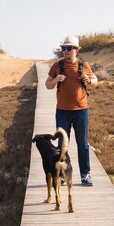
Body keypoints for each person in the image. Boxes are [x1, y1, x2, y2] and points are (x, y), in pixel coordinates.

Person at [45, 36, 98, 186]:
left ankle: (85, 175)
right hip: (62, 111)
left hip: (81, 111)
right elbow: (47, 84)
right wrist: (56, 80)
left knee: (82, 144)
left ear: (77, 50)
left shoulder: (83, 65)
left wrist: (88, 79)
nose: (66, 51)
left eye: (69, 48)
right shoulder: (57, 66)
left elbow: (95, 82)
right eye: (64, 48)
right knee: (62, 144)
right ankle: (61, 174)